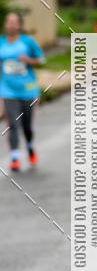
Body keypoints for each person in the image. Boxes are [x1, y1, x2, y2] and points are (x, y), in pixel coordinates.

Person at [0, 11, 45, 171]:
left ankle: (30, 146)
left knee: (26, 126)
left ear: (19, 25)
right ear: (5, 24)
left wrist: (29, 60)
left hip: (28, 90)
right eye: (9, 21)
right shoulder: (1, 43)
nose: (11, 24)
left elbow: (42, 60)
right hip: (8, 91)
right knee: (12, 123)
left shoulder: (27, 42)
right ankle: (15, 157)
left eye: (14, 22)